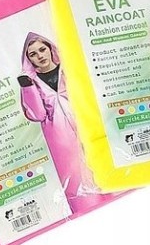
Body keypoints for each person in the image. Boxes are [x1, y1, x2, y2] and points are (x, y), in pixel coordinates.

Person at [18, 33, 100, 211]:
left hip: (86, 122)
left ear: (50, 49)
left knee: (99, 161)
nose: (40, 56)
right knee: (74, 176)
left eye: (42, 49)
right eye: (33, 54)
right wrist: (27, 88)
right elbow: (37, 114)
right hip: (59, 137)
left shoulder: (69, 67)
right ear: (29, 60)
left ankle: (116, 192)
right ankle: (85, 207)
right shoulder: (31, 82)